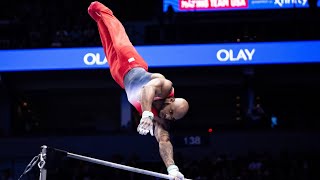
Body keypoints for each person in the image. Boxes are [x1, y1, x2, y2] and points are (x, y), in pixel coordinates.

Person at [87, 1, 189, 179]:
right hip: (132, 64)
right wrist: (147, 114)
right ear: (171, 101)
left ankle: (98, 19)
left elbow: (164, 141)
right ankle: (103, 10)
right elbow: (147, 89)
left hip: (120, 78)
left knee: (107, 42)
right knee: (117, 37)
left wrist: (172, 168)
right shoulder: (166, 87)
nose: (168, 116)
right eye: (171, 112)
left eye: (173, 118)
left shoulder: (161, 120)